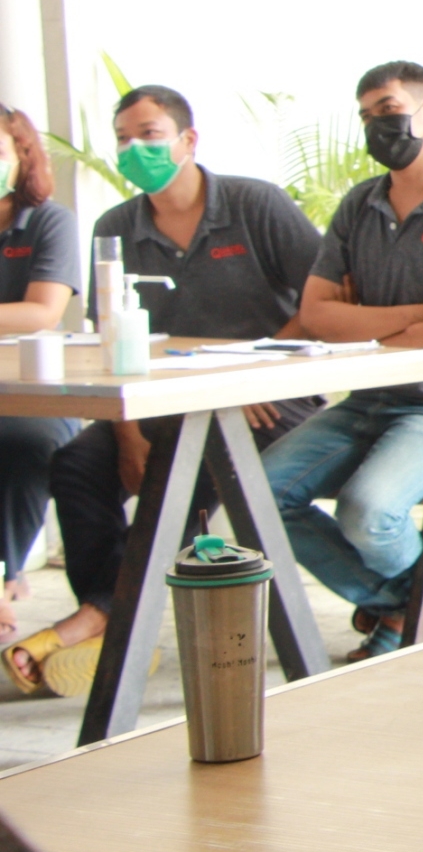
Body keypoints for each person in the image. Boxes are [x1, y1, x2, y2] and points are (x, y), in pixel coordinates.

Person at [13, 86, 324, 696]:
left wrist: (248, 373)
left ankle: (102, 619)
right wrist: (128, 434)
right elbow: (111, 336)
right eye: (123, 138)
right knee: (77, 465)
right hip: (164, 400)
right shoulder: (116, 228)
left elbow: (323, 299)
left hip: (265, 395)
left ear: (188, 140)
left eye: (149, 134)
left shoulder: (255, 204)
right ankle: (108, 613)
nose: (134, 148)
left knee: (183, 466)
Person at [263, 63, 423, 660]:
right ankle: (404, 601)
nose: (377, 125)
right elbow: (317, 315)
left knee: (368, 509)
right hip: (369, 400)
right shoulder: (359, 206)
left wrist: (371, 321)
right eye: (367, 115)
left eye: (389, 110)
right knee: (261, 495)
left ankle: (399, 608)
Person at [0, 104, 80, 645]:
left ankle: (4, 579)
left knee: (30, 441)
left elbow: (42, 311)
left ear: (21, 156)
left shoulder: (50, 221)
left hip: (32, 386)